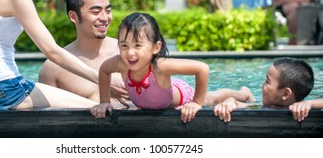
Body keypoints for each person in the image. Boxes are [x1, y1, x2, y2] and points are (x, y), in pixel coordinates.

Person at [90, 12, 255, 123]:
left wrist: (196, 104)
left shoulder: (160, 66)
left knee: (211, 98)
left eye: (138, 45)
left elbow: (202, 68)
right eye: (124, 45)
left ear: (156, 47)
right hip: (163, 93)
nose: (130, 53)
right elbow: (104, 70)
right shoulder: (121, 63)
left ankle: (243, 93)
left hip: (184, 97)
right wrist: (104, 102)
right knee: (211, 98)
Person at [38, 0, 128, 106]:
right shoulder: (54, 67)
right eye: (96, 12)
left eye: (108, 11)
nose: (104, 18)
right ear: (73, 16)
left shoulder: (128, 53)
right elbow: (46, 119)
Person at [213, 57, 315, 122]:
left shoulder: (302, 108)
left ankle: (247, 93)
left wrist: (309, 104)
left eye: (267, 81)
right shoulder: (268, 106)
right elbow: (236, 102)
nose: (262, 85)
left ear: (285, 94)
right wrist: (229, 102)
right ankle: (246, 93)